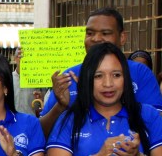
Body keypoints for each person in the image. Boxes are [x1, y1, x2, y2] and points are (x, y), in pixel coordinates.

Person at [41, 8, 162, 136]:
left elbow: (156, 125)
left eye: (105, 33)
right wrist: (60, 107)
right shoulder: (68, 77)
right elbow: (40, 134)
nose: (96, 39)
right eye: (90, 33)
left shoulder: (140, 73)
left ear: (122, 38)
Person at [12, 48, 46, 116]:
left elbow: (42, 108)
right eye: (20, 56)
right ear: (15, 59)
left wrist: (41, 100)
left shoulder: (38, 81)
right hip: (11, 122)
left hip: (31, 121)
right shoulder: (8, 79)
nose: (24, 59)